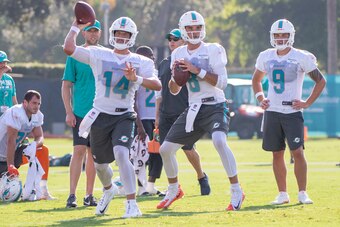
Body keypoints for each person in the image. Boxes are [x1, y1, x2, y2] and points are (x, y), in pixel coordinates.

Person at [63, 16, 161, 218]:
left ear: (132, 37)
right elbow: (69, 48)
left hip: (124, 115)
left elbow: (156, 84)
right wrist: (75, 26)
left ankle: (132, 203)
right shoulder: (99, 54)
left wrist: (137, 78)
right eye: (118, 33)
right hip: (100, 115)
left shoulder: (140, 60)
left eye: (126, 34)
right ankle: (109, 189)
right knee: (99, 165)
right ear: (112, 35)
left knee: (121, 154)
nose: (122, 37)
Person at [156, 11, 244, 211]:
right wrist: (175, 79)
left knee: (219, 141)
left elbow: (222, 83)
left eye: (197, 28)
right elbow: (174, 90)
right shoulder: (178, 54)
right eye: (190, 28)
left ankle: (237, 190)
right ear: (183, 30)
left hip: (214, 104)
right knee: (165, 149)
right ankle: (173, 190)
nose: (194, 32)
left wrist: (197, 70)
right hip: (194, 107)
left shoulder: (213, 49)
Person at [252, 19, 326, 205]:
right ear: (272, 36)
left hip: (292, 112)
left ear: (291, 35)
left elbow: (321, 81)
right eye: (277, 35)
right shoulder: (265, 56)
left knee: (297, 152)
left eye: (284, 34)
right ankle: (282, 194)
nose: (280, 38)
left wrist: (307, 103)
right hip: (273, 112)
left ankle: (302, 192)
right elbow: (256, 80)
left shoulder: (301, 56)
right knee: (276, 153)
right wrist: (261, 98)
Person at [155, 28, 210, 196]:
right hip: (166, 113)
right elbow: (160, 91)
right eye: (170, 39)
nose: (172, 41)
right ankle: (174, 187)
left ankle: (201, 177)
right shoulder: (164, 63)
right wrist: (157, 115)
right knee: (166, 151)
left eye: (175, 39)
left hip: (184, 111)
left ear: (183, 41)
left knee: (188, 149)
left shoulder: (189, 61)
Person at [62, 20, 102, 208]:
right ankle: (71, 195)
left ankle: (89, 195)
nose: (93, 34)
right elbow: (66, 85)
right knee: (78, 152)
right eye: (89, 31)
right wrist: (69, 111)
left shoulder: (105, 54)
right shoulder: (75, 54)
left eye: (96, 31)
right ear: (83, 33)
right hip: (80, 112)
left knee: (93, 155)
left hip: (101, 112)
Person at [0, 90, 53, 200]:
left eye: (38, 104)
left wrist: (34, 145)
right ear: (25, 102)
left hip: (13, 154)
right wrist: (11, 165)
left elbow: (40, 136)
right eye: (34, 103)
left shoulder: (37, 115)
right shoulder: (16, 112)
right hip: (4, 155)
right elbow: (11, 140)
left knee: (42, 150)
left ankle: (43, 191)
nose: (36, 106)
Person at [133, 46, 164, 196]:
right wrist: (138, 123)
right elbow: (132, 101)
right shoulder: (135, 76)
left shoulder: (158, 74)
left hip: (157, 119)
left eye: (150, 57)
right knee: (141, 154)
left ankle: (151, 185)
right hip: (143, 118)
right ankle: (141, 187)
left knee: (158, 152)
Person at [0, 50, 18, 116]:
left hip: (8, 117)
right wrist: (1, 73)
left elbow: (14, 98)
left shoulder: (9, 79)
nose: (3, 65)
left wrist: (18, 113)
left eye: (5, 62)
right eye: (0, 62)